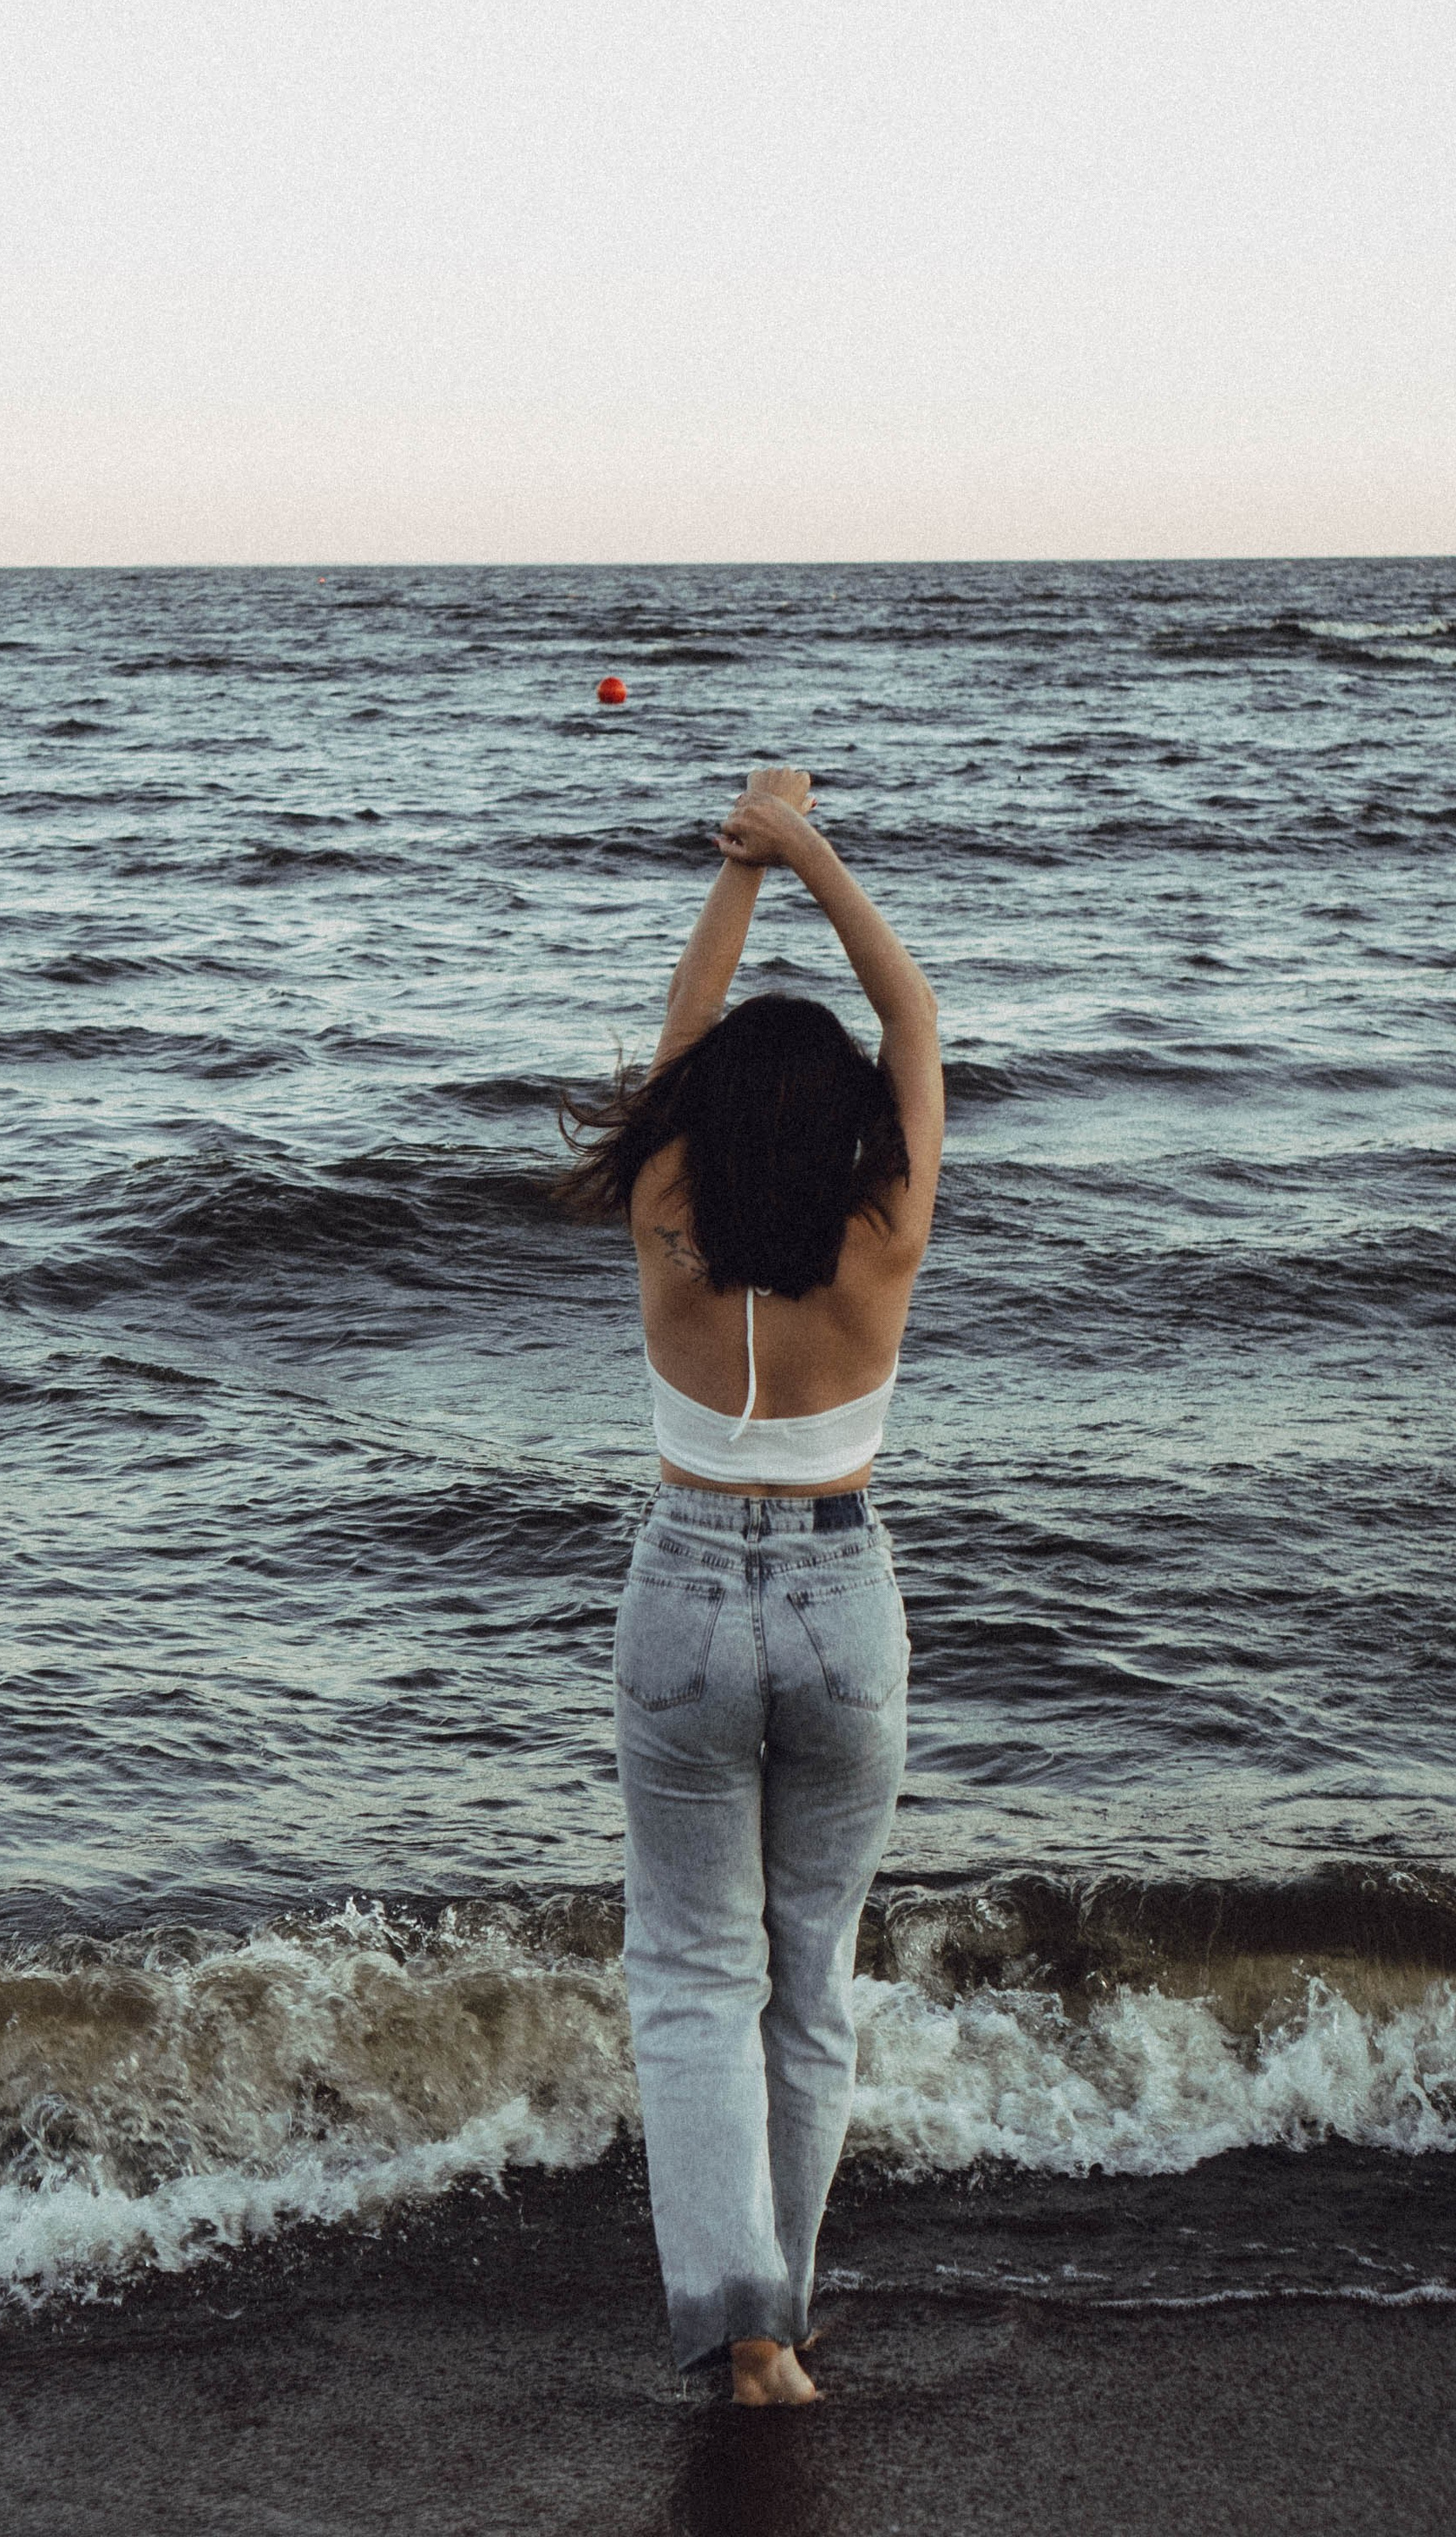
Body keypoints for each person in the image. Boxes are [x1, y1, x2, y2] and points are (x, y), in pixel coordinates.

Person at [563, 766, 943, 2405]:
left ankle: (742, 2334)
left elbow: (681, 1025)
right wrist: (811, 854)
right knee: (812, 1972)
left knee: (693, 1980)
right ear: (847, 1121)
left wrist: (738, 865)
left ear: (703, 1120)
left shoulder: (665, 1208)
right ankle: (775, 2318)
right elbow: (912, 1016)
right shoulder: (887, 1229)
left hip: (683, 1592)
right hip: (840, 1599)